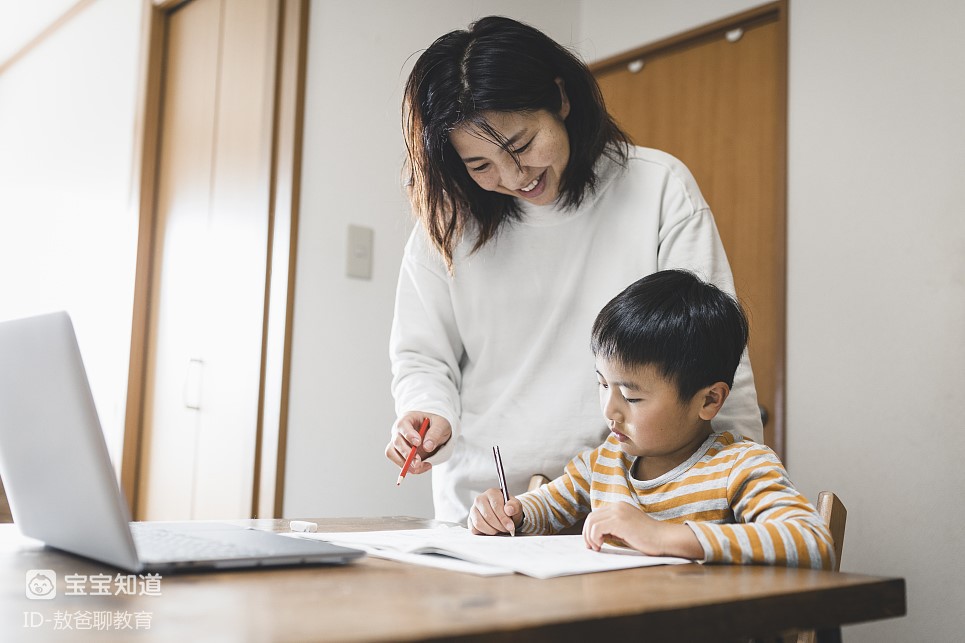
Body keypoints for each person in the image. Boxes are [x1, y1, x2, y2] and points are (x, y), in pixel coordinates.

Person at [386, 15, 764, 524]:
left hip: (629, 502)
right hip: (488, 509)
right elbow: (423, 356)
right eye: (480, 166)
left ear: (560, 98)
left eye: (521, 145)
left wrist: (741, 486)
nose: (514, 177)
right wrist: (428, 413)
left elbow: (715, 352)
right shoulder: (448, 224)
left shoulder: (657, 188)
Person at [469, 270, 834, 569]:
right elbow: (543, 507)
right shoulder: (604, 462)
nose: (610, 410)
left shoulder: (738, 467)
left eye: (631, 396)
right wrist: (508, 513)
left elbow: (811, 541)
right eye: (602, 385)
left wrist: (665, 537)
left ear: (709, 400)